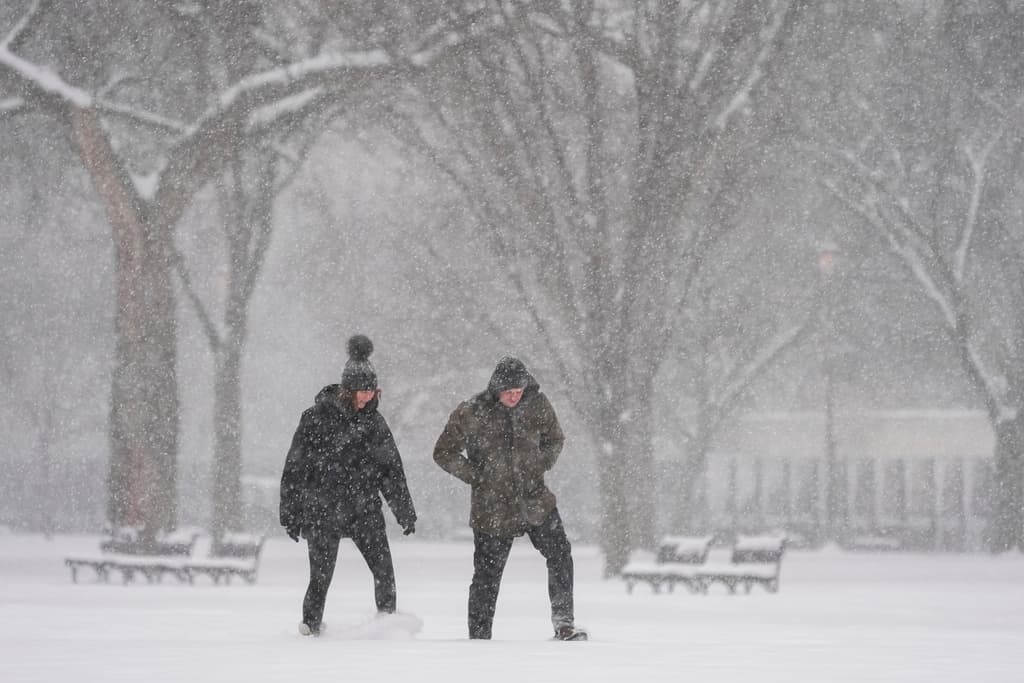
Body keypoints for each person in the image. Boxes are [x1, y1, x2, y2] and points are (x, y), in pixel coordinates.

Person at [433, 356, 587, 641]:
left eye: (518, 389)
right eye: (508, 391)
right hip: (491, 507)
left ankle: (564, 623)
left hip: (535, 500)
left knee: (560, 554)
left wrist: (541, 462)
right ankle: (479, 638)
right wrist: (476, 475)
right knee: (487, 575)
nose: (514, 395)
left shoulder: (538, 405)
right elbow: (443, 452)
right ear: (496, 389)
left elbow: (555, 439)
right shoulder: (471, 412)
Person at [279, 334, 416, 637]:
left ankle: (387, 624)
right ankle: (310, 627)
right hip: (322, 511)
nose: (368, 397)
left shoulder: (375, 423)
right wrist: (290, 512)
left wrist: (404, 510)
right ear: (347, 390)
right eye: (363, 391)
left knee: (384, 572)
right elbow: (295, 469)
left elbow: (391, 471)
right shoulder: (315, 419)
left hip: (364, 509)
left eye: (372, 390)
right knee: (320, 577)